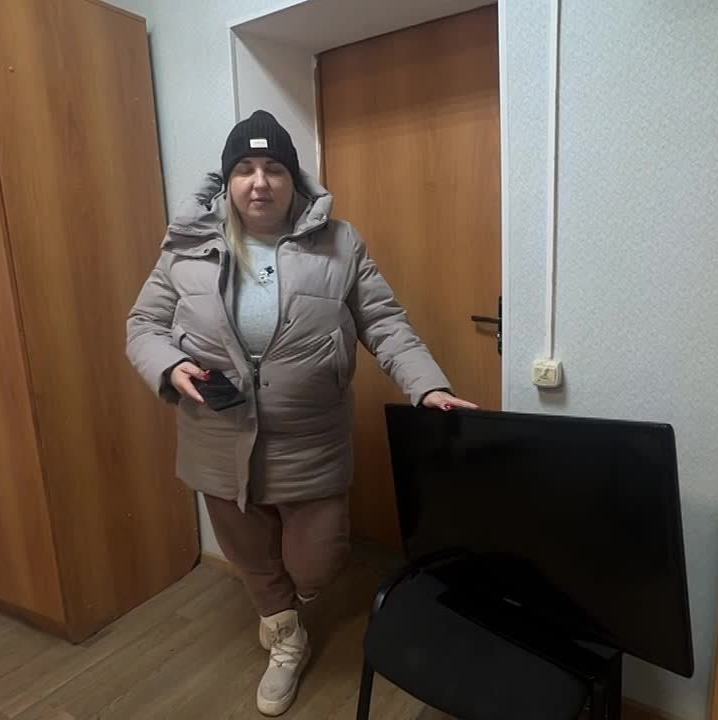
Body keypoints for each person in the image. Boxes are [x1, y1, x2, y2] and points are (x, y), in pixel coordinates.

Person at [126, 110, 475, 716]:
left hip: (311, 439)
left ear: (294, 180)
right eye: (244, 168)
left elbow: (384, 322)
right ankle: (285, 638)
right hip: (218, 434)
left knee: (317, 561)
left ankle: (292, 604)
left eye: (274, 168)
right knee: (251, 557)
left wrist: (426, 387)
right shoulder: (186, 245)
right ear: (228, 180)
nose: (259, 182)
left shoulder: (340, 242)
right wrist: (169, 365)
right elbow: (143, 324)